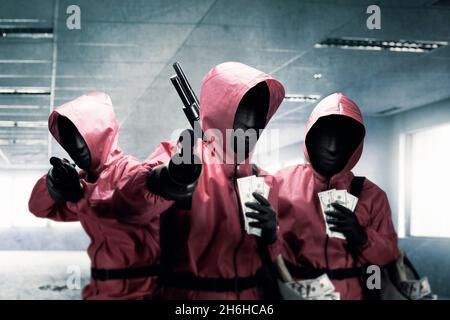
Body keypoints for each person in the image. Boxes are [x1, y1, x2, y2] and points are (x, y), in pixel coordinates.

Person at [112, 62, 285, 299]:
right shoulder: (181, 157)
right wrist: (169, 180)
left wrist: (271, 234)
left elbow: (269, 259)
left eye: (256, 124)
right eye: (240, 122)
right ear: (220, 116)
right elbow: (128, 207)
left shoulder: (263, 179)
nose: (249, 132)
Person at [28, 92, 167, 299]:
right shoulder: (85, 180)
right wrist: (53, 183)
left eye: (79, 139)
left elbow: (121, 207)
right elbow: (38, 207)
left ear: (98, 135)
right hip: (101, 291)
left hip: (140, 291)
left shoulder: (132, 171)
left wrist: (80, 195)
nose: (74, 149)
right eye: (67, 142)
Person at [275, 92, 399, 300]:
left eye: (342, 140)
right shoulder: (280, 183)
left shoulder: (372, 195)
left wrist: (362, 236)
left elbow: (388, 256)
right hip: (298, 294)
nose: (332, 148)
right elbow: (257, 247)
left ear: (355, 147)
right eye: (325, 137)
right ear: (310, 139)